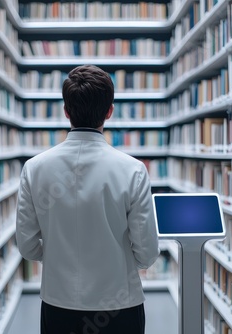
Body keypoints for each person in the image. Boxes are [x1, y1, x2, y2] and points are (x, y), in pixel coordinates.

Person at [15, 64, 160, 334]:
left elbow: (27, 246)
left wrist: (60, 256)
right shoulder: (132, 170)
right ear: (109, 111)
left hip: (59, 304)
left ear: (66, 111)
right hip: (119, 305)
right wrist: (119, 262)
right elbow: (147, 252)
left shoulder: (35, 168)